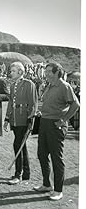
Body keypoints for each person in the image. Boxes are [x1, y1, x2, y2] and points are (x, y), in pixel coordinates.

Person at [33, 62, 79, 201]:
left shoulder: (64, 86)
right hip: (44, 123)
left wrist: (64, 119)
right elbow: (50, 103)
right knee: (42, 154)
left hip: (56, 125)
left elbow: (75, 104)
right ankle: (47, 184)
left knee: (56, 158)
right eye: (45, 71)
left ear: (57, 72)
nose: (46, 73)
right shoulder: (50, 85)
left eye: (49, 71)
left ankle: (58, 190)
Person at [3, 62, 38, 184]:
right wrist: (7, 119)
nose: (10, 73)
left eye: (13, 71)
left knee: (17, 144)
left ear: (20, 72)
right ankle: (26, 173)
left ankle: (18, 174)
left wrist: (30, 119)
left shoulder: (29, 84)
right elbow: (10, 103)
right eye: (10, 70)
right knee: (22, 146)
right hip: (15, 119)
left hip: (24, 119)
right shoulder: (13, 85)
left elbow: (33, 103)